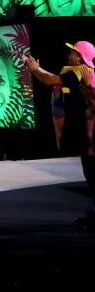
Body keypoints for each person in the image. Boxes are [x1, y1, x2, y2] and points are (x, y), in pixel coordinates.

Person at [24, 42, 95, 225]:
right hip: (88, 130)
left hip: (91, 131)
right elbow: (56, 78)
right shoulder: (84, 72)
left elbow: (49, 81)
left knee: (92, 172)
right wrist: (38, 68)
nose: (68, 55)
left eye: (72, 52)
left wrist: (34, 69)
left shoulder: (78, 72)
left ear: (79, 57)